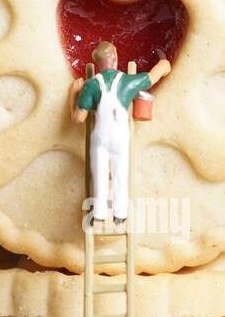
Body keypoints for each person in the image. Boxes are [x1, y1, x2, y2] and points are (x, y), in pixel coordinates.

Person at [71, 42, 170, 224]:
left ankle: (99, 215)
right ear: (116, 58)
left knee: (99, 175)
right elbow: (151, 77)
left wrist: (73, 93)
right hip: (119, 136)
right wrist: (163, 66)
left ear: (98, 63)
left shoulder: (91, 85)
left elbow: (78, 118)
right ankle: (120, 215)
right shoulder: (127, 81)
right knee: (120, 174)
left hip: (100, 137)